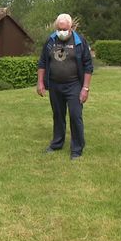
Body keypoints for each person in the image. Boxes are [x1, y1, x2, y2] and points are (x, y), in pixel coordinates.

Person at [37, 13, 93, 160]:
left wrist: (85, 88)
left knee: (75, 115)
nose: (61, 32)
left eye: (64, 29)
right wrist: (40, 82)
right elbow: (42, 62)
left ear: (70, 28)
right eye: (59, 28)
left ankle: (77, 149)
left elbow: (88, 66)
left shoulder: (79, 41)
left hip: (74, 85)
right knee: (58, 115)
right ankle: (57, 143)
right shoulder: (50, 40)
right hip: (55, 85)